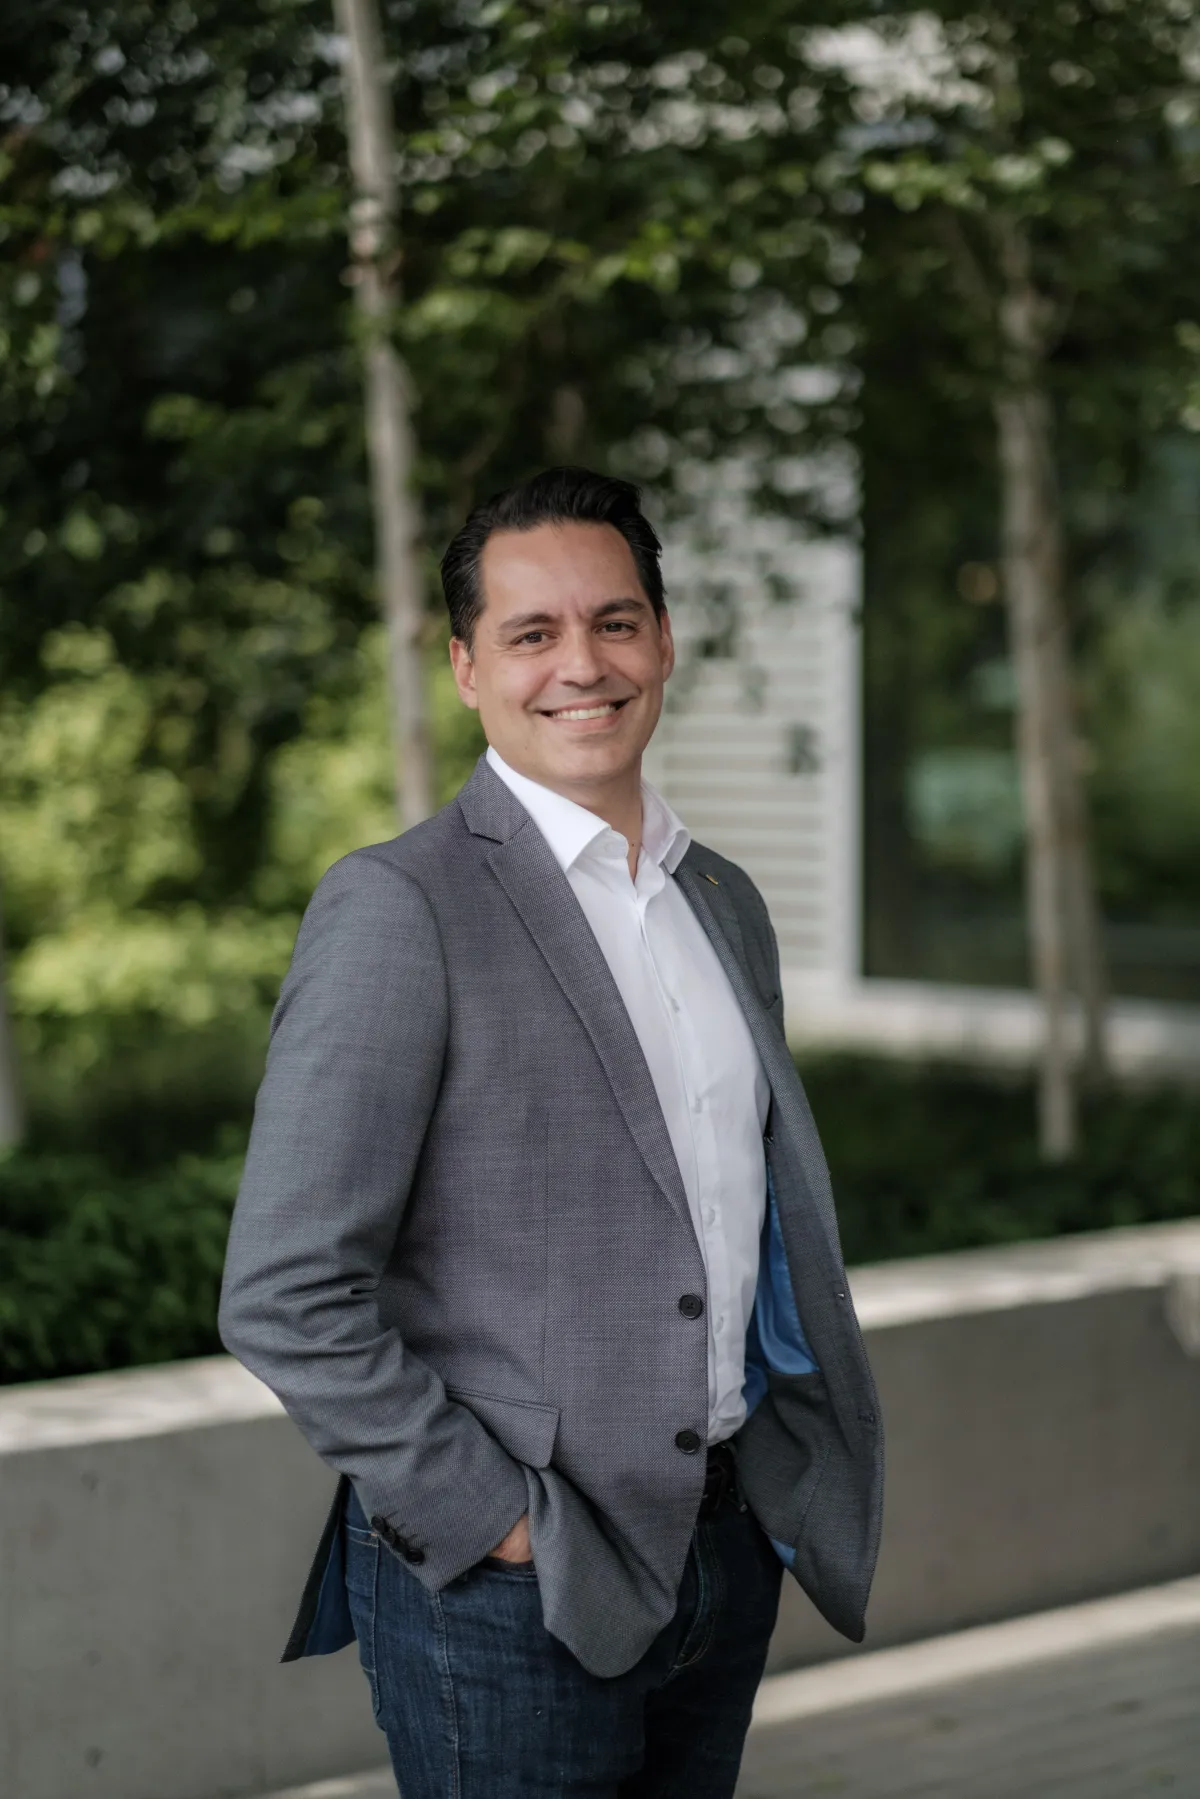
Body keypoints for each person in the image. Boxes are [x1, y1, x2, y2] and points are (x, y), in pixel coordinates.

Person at [219, 466, 883, 1799]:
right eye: (532, 633)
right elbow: (286, 1291)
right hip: (511, 1592)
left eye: (615, 620)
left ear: (664, 638)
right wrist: (498, 1523)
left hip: (728, 1542)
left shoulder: (725, 901)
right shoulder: (399, 908)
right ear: (467, 668)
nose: (582, 663)